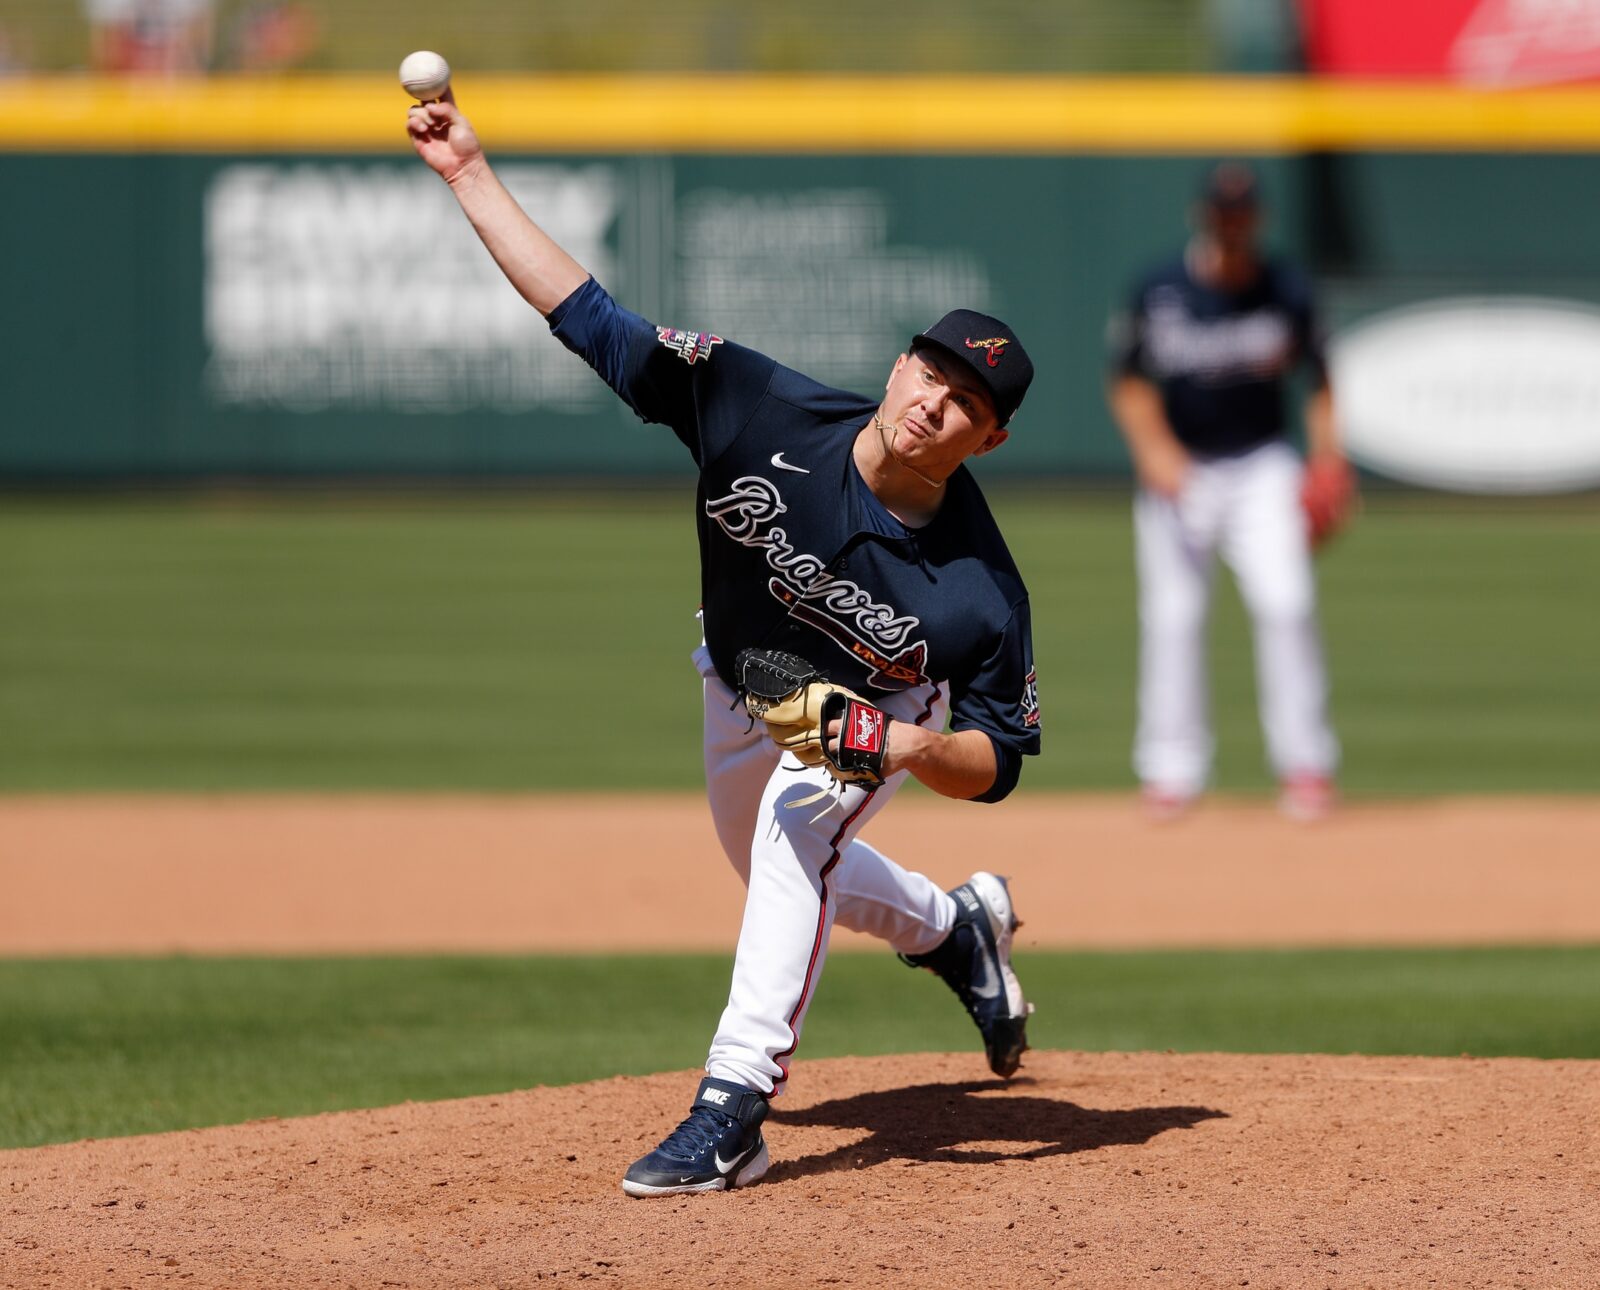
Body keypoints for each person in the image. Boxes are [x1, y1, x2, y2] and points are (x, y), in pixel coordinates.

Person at [407, 93, 1042, 1197]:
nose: (937, 405)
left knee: (803, 829)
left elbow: (999, 760)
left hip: (878, 715)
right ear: (899, 367)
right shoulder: (753, 404)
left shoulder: (980, 593)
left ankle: (732, 1108)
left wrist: (904, 751)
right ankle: (955, 931)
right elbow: (588, 316)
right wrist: (468, 175)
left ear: (992, 437)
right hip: (741, 680)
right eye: (932, 374)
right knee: (770, 867)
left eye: (968, 403)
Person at [1107, 162, 1353, 823]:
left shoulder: (1286, 288)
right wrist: (1155, 451)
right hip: (1183, 468)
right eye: (1223, 213)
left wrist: (1327, 459)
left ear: (1258, 220)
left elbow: (1321, 378)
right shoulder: (1160, 288)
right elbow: (1128, 382)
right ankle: (1170, 769)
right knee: (1174, 617)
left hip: (1261, 467)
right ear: (1204, 216)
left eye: (1242, 214)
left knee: (1286, 604)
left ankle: (1305, 763)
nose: (1232, 224)